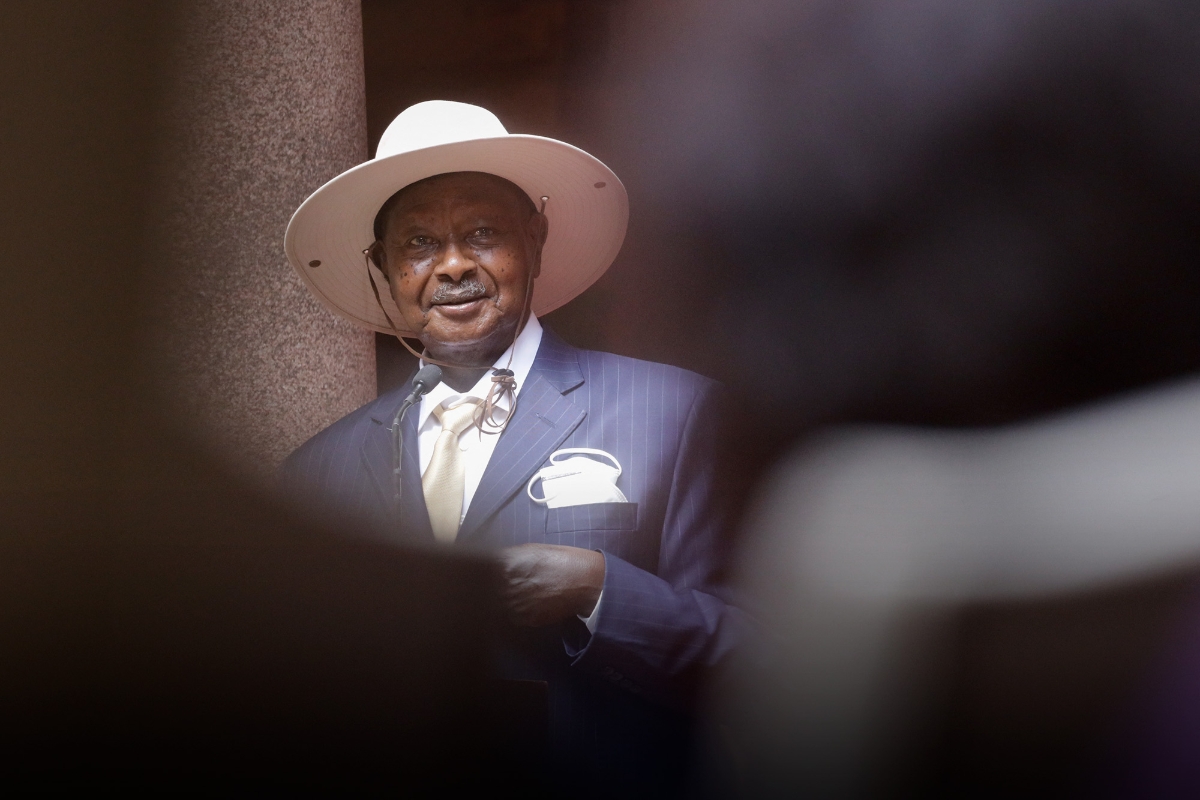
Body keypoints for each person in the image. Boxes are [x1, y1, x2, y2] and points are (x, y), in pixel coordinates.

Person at [279, 100, 744, 793]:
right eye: (418, 245)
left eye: (483, 232)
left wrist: (600, 590)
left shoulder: (677, 413)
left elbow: (765, 662)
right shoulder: (318, 472)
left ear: (536, 237)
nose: (453, 266)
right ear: (383, 267)